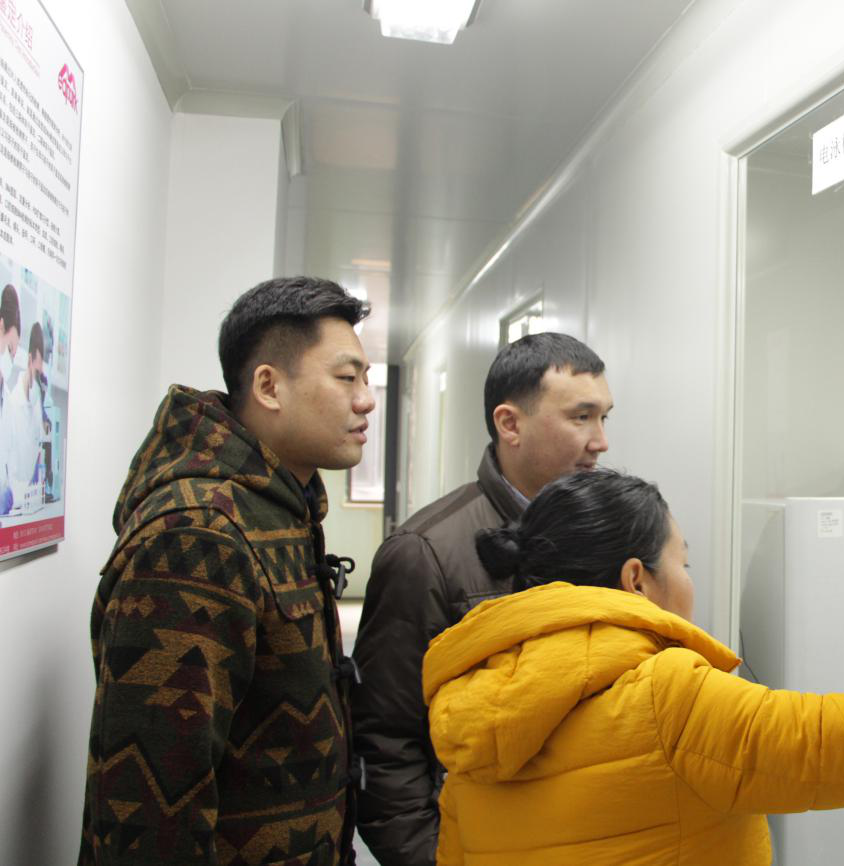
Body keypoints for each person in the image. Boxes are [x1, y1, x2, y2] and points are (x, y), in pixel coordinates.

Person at [421, 469, 844, 864]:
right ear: (636, 580)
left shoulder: (471, 716)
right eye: (683, 562)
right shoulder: (668, 703)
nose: (689, 581)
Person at [79, 277, 376, 865]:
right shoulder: (197, 538)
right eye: (347, 378)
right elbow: (152, 809)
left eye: (366, 379)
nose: (366, 400)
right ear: (269, 386)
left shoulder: (278, 507)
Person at [352, 332, 612, 865]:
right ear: (510, 424)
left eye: (604, 417)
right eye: (581, 417)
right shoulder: (425, 552)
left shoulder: (608, 534)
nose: (601, 441)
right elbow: (386, 742)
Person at [1, 322, 46, 512]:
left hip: (28, 507)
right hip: (14, 505)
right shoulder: (12, 404)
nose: (38, 381)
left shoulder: (35, 407)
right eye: (36, 373)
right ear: (29, 360)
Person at [0, 283, 23, 408]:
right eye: (9, 349)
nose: (10, 361)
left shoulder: (7, 399)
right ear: (1, 325)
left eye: (13, 357)